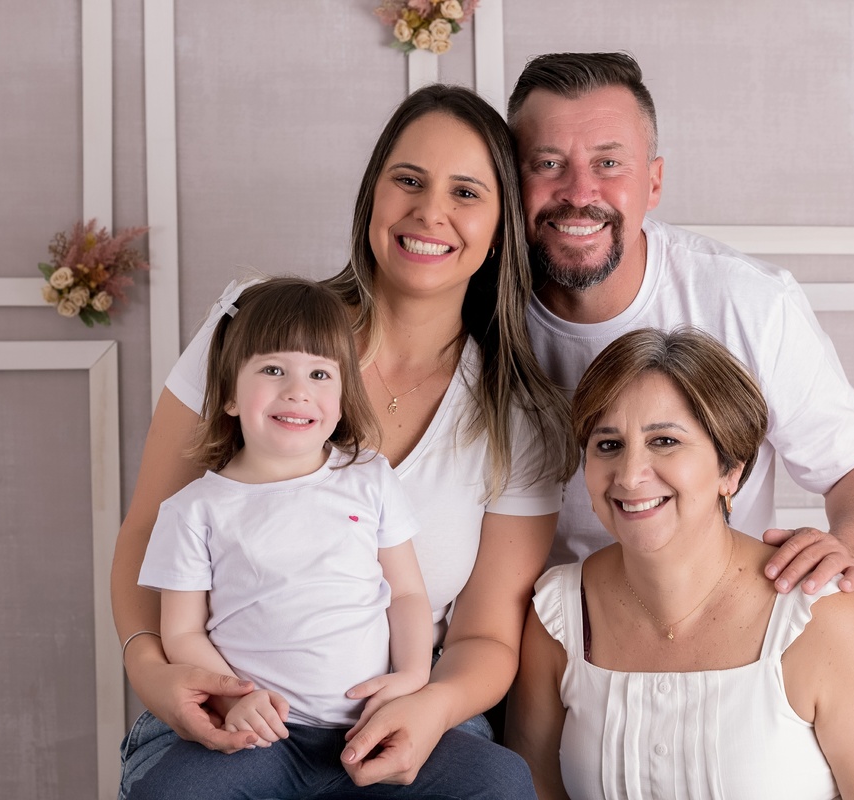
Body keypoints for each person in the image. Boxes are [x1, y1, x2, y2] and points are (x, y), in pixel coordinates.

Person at [113, 85, 578, 797]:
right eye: (409, 180)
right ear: (372, 197)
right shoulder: (257, 327)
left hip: (404, 718)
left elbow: (485, 637)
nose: (430, 212)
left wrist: (431, 706)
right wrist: (156, 672)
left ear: (500, 228)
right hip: (232, 716)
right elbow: (150, 529)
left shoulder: (517, 416)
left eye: (466, 193)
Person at [507, 53, 854, 593]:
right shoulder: (474, 305)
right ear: (512, 182)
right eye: (548, 164)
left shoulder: (748, 300)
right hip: (546, 629)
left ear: (654, 181)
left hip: (719, 624)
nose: (579, 193)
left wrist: (850, 544)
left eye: (608, 163)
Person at [506, 327, 854, 799]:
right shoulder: (558, 613)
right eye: (608, 445)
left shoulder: (818, 618)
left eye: (665, 441)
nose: (629, 476)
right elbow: (535, 785)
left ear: (730, 469)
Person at [129, 277, 434, 798]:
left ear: (341, 399)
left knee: (498, 778)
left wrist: (412, 677)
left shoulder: (369, 478)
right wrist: (232, 702)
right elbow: (182, 634)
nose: (298, 390)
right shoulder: (194, 511)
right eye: (273, 370)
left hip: (371, 727)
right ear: (227, 395)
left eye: (320, 373)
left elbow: (406, 593)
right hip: (260, 736)